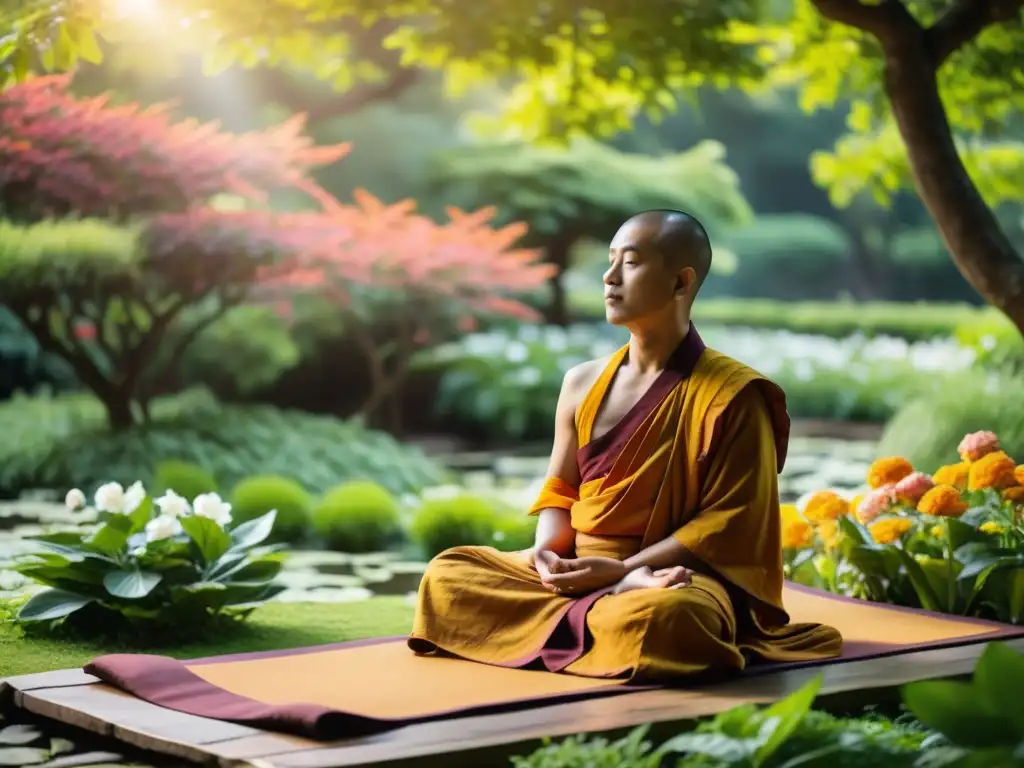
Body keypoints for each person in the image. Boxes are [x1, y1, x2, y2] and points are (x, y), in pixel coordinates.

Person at [408, 210, 843, 681]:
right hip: (579, 568)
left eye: (629, 262)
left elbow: (727, 526)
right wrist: (548, 555)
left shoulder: (733, 396)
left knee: (669, 621)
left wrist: (623, 572)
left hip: (668, 577)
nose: (608, 276)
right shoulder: (581, 382)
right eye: (609, 260)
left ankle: (593, 614)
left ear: (680, 282)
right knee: (449, 576)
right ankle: (597, 615)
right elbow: (560, 488)